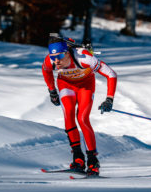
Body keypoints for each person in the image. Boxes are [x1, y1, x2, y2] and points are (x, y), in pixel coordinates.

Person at [42, 36, 117, 176]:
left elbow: (111, 74)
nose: (56, 60)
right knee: (69, 114)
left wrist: (109, 99)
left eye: (59, 56)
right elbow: (46, 70)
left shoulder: (84, 57)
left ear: (67, 53)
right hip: (66, 84)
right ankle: (78, 158)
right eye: (53, 57)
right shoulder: (51, 60)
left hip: (85, 84)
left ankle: (93, 161)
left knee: (82, 118)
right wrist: (52, 90)